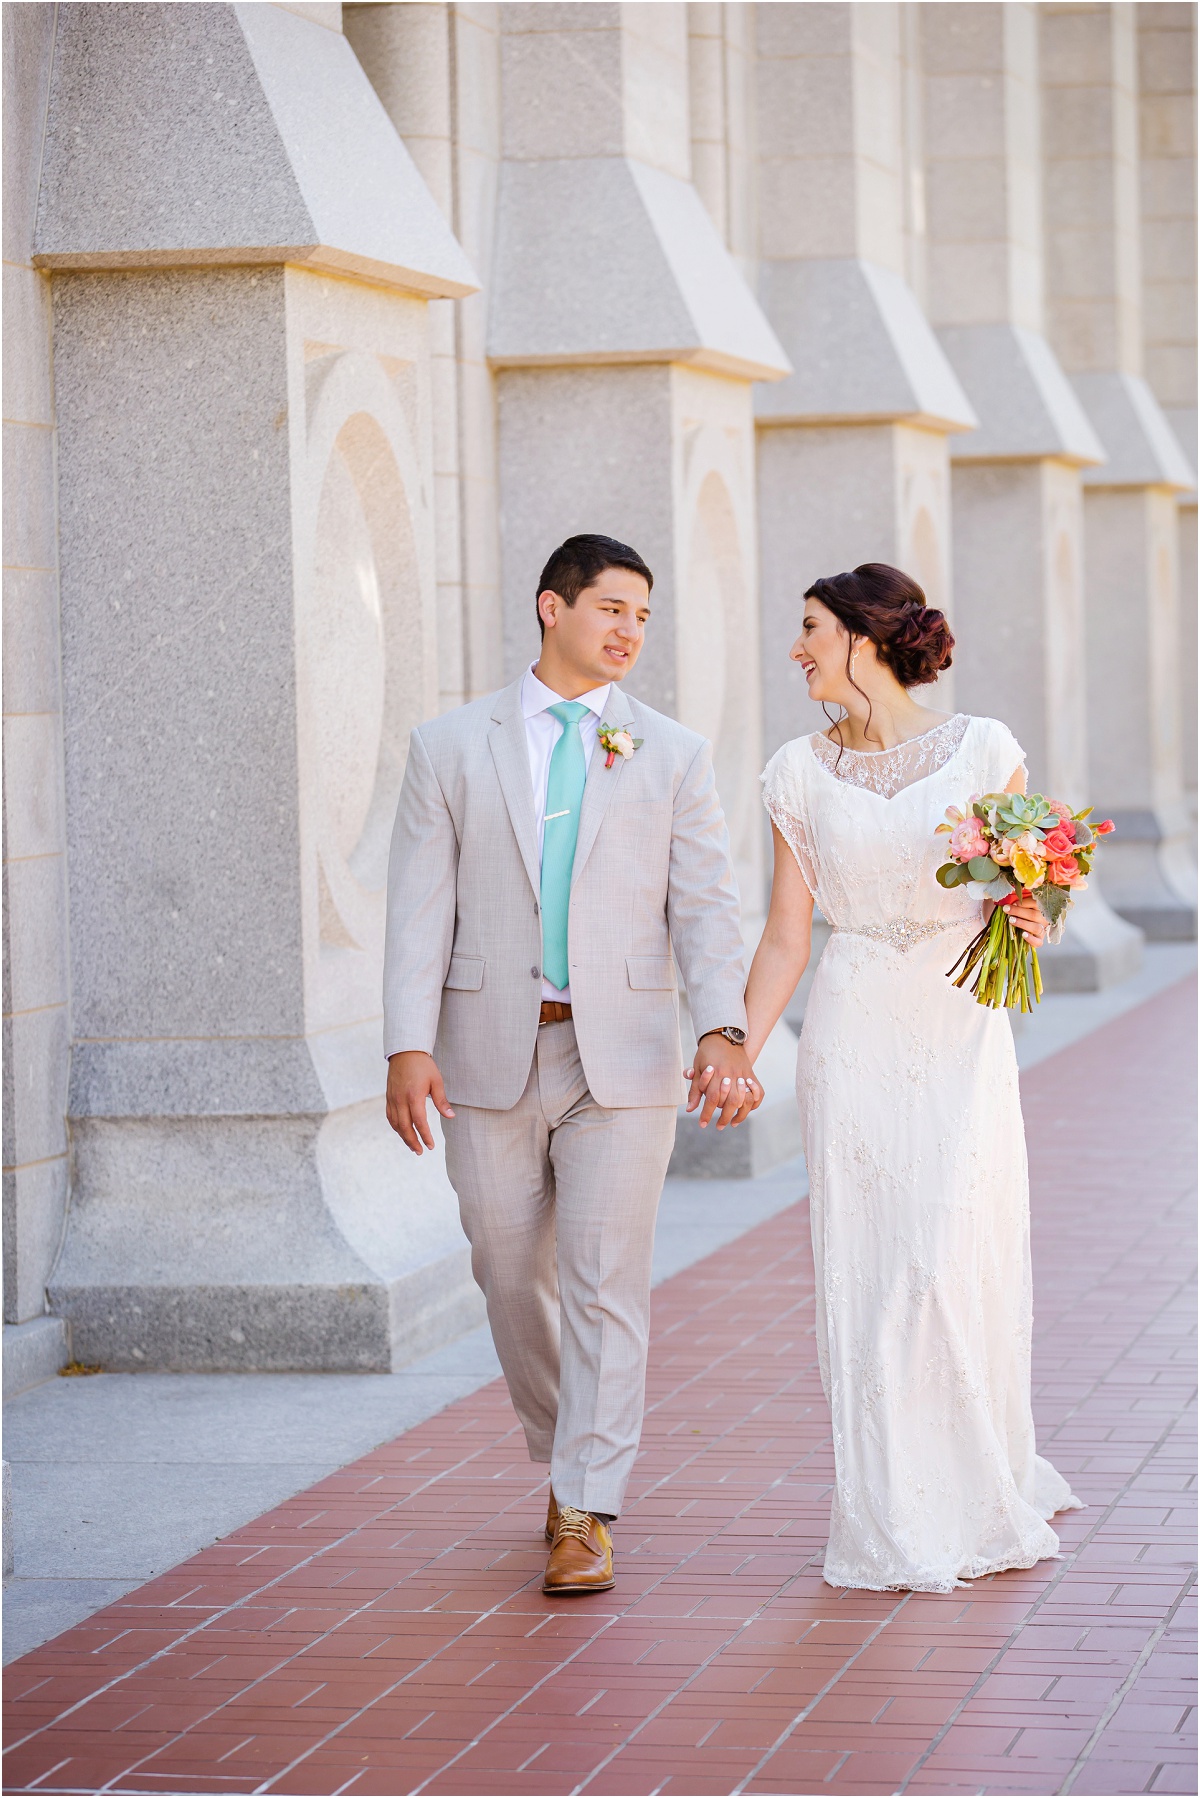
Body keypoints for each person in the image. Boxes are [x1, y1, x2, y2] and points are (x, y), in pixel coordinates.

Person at [382, 533, 762, 1595]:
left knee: (606, 1282)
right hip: (486, 1050)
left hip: (625, 1058)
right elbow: (419, 906)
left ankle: (585, 1505)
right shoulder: (451, 745)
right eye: (610, 608)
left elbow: (706, 905)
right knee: (509, 1274)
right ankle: (567, 1455)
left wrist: (722, 1027)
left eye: (643, 613)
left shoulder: (672, 753)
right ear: (551, 608)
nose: (629, 629)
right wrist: (407, 1044)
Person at [734, 562, 1082, 1592]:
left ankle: (975, 1482)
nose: (795, 649)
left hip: (956, 1021)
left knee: (941, 1249)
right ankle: (888, 1505)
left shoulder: (983, 749)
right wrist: (738, 1047)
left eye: (808, 628)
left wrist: (1036, 911)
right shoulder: (796, 772)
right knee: (871, 1260)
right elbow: (787, 936)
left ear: (863, 634)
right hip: (853, 1023)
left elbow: (1039, 900)